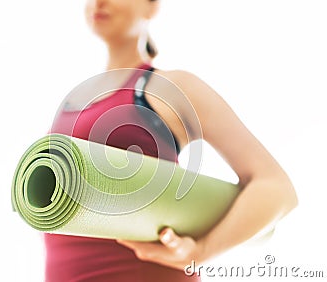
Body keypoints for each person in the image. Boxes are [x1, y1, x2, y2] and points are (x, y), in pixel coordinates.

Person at [46, 0, 298, 281]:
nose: (99, 2)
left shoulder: (166, 88)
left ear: (152, 7)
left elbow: (276, 187)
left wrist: (202, 251)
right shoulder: (72, 101)